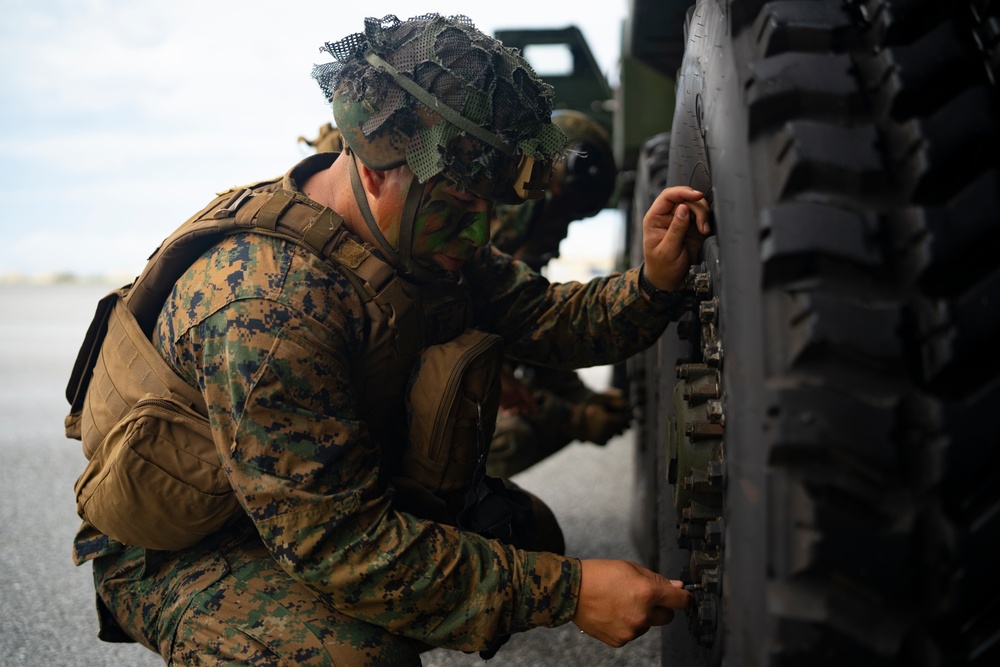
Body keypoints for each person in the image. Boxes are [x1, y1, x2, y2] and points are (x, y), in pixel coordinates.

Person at [69, 14, 709, 665]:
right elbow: (343, 546)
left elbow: (546, 319)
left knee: (525, 532)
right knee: (356, 657)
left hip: (307, 498)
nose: (476, 237)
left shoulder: (427, 237)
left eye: (489, 213)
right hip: (192, 547)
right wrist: (567, 594)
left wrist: (653, 282)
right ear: (375, 171)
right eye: (461, 210)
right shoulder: (270, 304)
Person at [487, 109, 632, 478]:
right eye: (558, 216)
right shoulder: (464, 258)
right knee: (514, 436)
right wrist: (574, 417)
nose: (560, 235)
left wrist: (583, 398)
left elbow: (531, 332)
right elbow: (483, 380)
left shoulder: (504, 262)